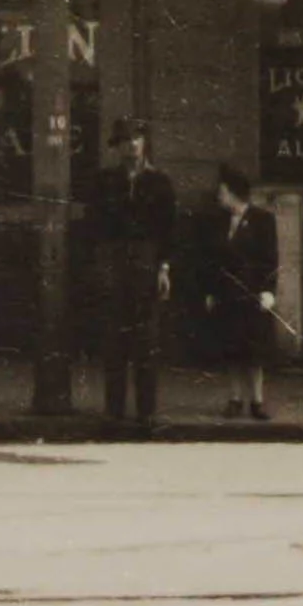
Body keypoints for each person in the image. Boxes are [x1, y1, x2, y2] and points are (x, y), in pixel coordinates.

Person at [91, 116, 175, 428]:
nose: (133, 145)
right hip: (113, 263)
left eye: (138, 138)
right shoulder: (104, 182)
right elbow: (94, 227)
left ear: (145, 143)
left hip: (146, 263)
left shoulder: (159, 182)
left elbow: (168, 230)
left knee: (146, 340)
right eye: (127, 140)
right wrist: (101, 266)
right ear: (118, 146)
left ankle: (146, 410)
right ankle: (113, 409)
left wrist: (164, 268)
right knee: (114, 340)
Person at [207, 163, 280, 422]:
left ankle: (257, 401)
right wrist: (212, 292)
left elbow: (270, 259)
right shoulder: (220, 221)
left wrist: (269, 291)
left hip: (252, 294)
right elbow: (214, 261)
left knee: (254, 351)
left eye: (223, 191)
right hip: (227, 294)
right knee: (232, 349)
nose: (219, 196)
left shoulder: (262, 220)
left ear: (235, 193)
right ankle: (235, 399)